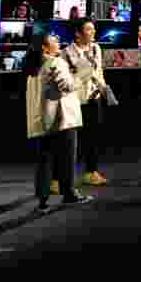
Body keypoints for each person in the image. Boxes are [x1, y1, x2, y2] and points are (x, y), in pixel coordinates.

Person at [25, 32, 92, 210]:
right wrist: (84, 72)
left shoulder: (33, 66)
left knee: (44, 159)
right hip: (63, 119)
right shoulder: (55, 62)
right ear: (44, 47)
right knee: (68, 158)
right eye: (54, 40)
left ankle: (42, 201)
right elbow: (67, 87)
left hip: (44, 120)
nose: (59, 41)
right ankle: (69, 193)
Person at [63, 19, 116, 188]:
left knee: (93, 137)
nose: (93, 32)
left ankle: (91, 172)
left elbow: (99, 72)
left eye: (93, 29)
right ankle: (61, 177)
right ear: (78, 33)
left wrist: (105, 91)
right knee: (71, 140)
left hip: (94, 98)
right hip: (75, 100)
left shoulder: (96, 48)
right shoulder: (67, 53)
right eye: (88, 29)